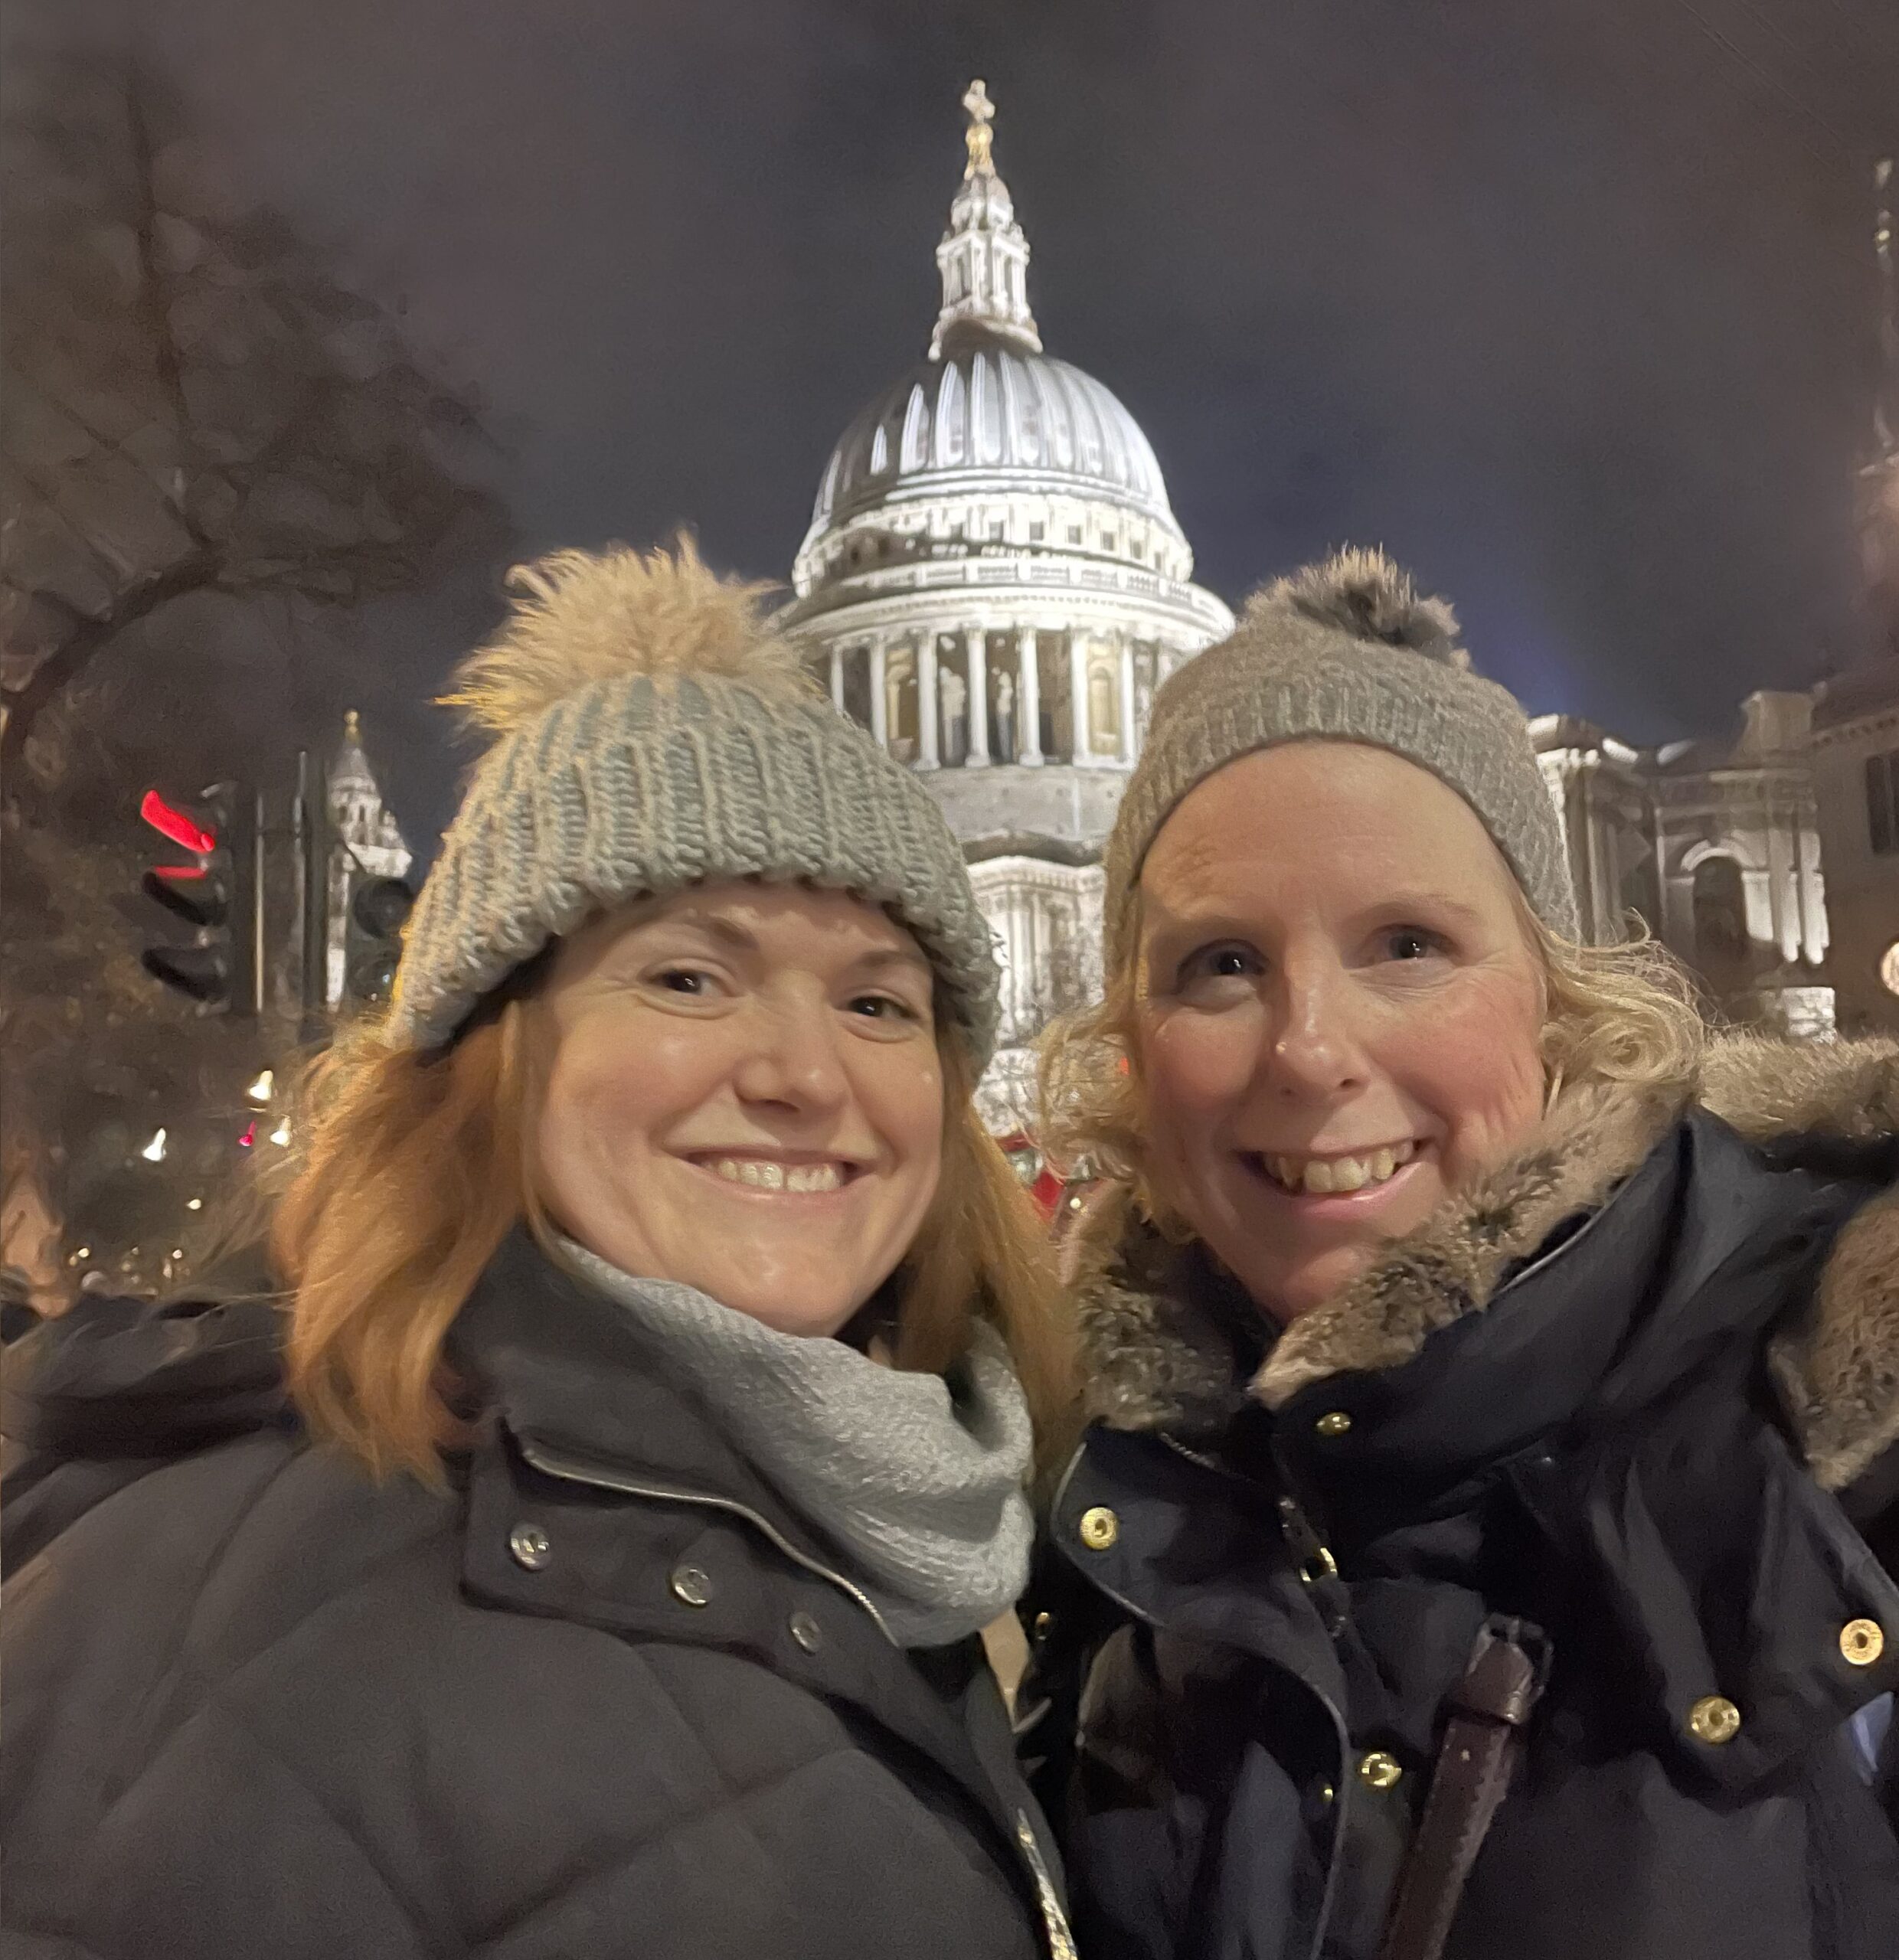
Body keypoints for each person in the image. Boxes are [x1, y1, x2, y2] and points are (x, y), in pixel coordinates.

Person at [2, 541, 1078, 1960]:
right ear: (488, 1052)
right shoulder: (244, 1605)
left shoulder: (897, 1528)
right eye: (689, 975)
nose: (810, 1078)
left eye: (880, 1006)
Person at [1030, 547, 1899, 1960]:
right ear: (1129, 1050)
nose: (1310, 1051)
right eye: (1220, 963)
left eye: (1410, 943)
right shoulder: (1107, 1514)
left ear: (1565, 1003)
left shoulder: (1856, 1457)